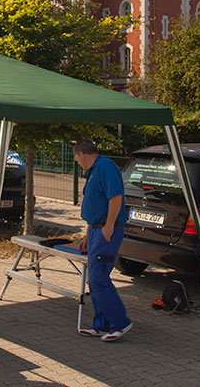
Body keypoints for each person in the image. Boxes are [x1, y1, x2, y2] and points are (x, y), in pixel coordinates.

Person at [74, 139, 133, 342]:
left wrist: (108, 226)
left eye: (76, 158)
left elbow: (115, 197)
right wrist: (88, 232)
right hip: (95, 230)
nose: (77, 162)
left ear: (82, 154)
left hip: (107, 231)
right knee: (94, 279)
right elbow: (96, 204)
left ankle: (120, 322)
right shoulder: (94, 171)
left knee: (99, 277)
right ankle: (101, 325)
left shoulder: (105, 167)